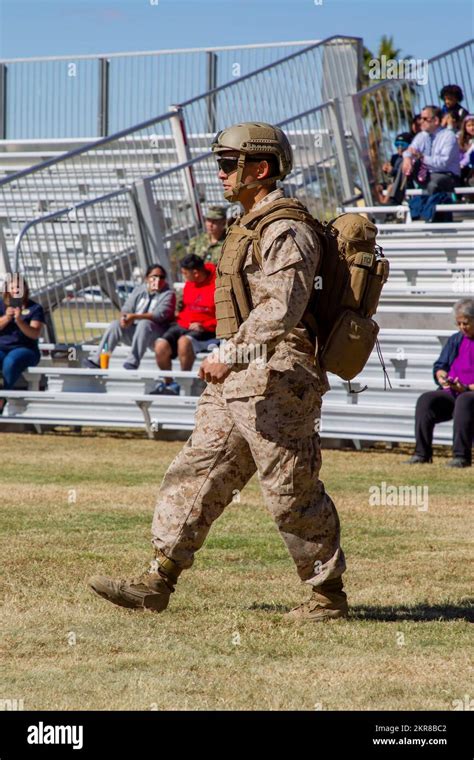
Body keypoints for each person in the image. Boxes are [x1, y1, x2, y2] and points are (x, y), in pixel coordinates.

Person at [89, 122, 347, 621]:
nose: (221, 174)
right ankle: (157, 579)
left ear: (261, 168)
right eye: (221, 164)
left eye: (229, 164)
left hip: (278, 374)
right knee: (197, 472)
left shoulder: (284, 229)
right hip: (241, 372)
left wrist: (232, 353)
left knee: (290, 488)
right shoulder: (247, 223)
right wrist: (232, 358)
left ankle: (327, 596)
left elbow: (282, 307)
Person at [406, 299, 474, 468]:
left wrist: (466, 388)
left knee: (464, 400)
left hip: (469, 394)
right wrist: (441, 375)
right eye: (458, 323)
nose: (461, 327)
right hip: (453, 391)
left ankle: (461, 457)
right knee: (426, 400)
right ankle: (422, 453)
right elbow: (441, 365)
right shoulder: (455, 340)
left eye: (465, 323)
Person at [84, 264, 175, 371]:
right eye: (154, 276)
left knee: (144, 323)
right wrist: (124, 318)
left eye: (161, 277)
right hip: (136, 332)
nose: (158, 280)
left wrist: (134, 317)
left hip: (157, 335)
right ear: (147, 278)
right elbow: (126, 308)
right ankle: (98, 360)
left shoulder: (169, 294)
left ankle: (132, 363)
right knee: (115, 324)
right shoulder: (139, 290)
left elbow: (159, 315)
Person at [150, 254, 218, 396]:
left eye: (185, 273)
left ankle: (184, 384)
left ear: (196, 273)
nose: (183, 276)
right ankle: (170, 384)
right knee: (160, 345)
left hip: (207, 328)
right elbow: (185, 307)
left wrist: (204, 325)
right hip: (184, 324)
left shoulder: (218, 283)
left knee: (184, 342)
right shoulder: (190, 283)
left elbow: (223, 316)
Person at [0, 275, 44, 413]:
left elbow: (34, 333)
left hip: (25, 348)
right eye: (12, 287)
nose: (15, 290)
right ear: (7, 289)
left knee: (11, 361)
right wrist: (7, 318)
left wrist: (19, 321)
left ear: (25, 289)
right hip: (2, 347)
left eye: (19, 287)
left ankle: (2, 398)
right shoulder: (1, 305)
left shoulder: (35, 308)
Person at [169, 207, 228, 281]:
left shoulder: (229, 242)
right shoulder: (197, 241)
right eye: (208, 220)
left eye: (214, 221)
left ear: (223, 222)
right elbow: (188, 264)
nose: (210, 224)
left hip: (220, 282)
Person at [375, 132, 413, 204]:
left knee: (391, 187)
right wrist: (386, 169)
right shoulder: (394, 157)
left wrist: (393, 171)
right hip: (394, 183)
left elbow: (407, 174)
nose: (399, 147)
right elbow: (391, 175)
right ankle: (382, 204)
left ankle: (386, 205)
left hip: (405, 184)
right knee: (378, 187)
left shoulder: (411, 158)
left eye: (403, 145)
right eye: (397, 144)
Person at [459, 114, 474, 185]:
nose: (472, 128)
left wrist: (462, 163)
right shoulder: (462, 140)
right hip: (464, 168)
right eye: (469, 125)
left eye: (473, 125)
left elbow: (468, 156)